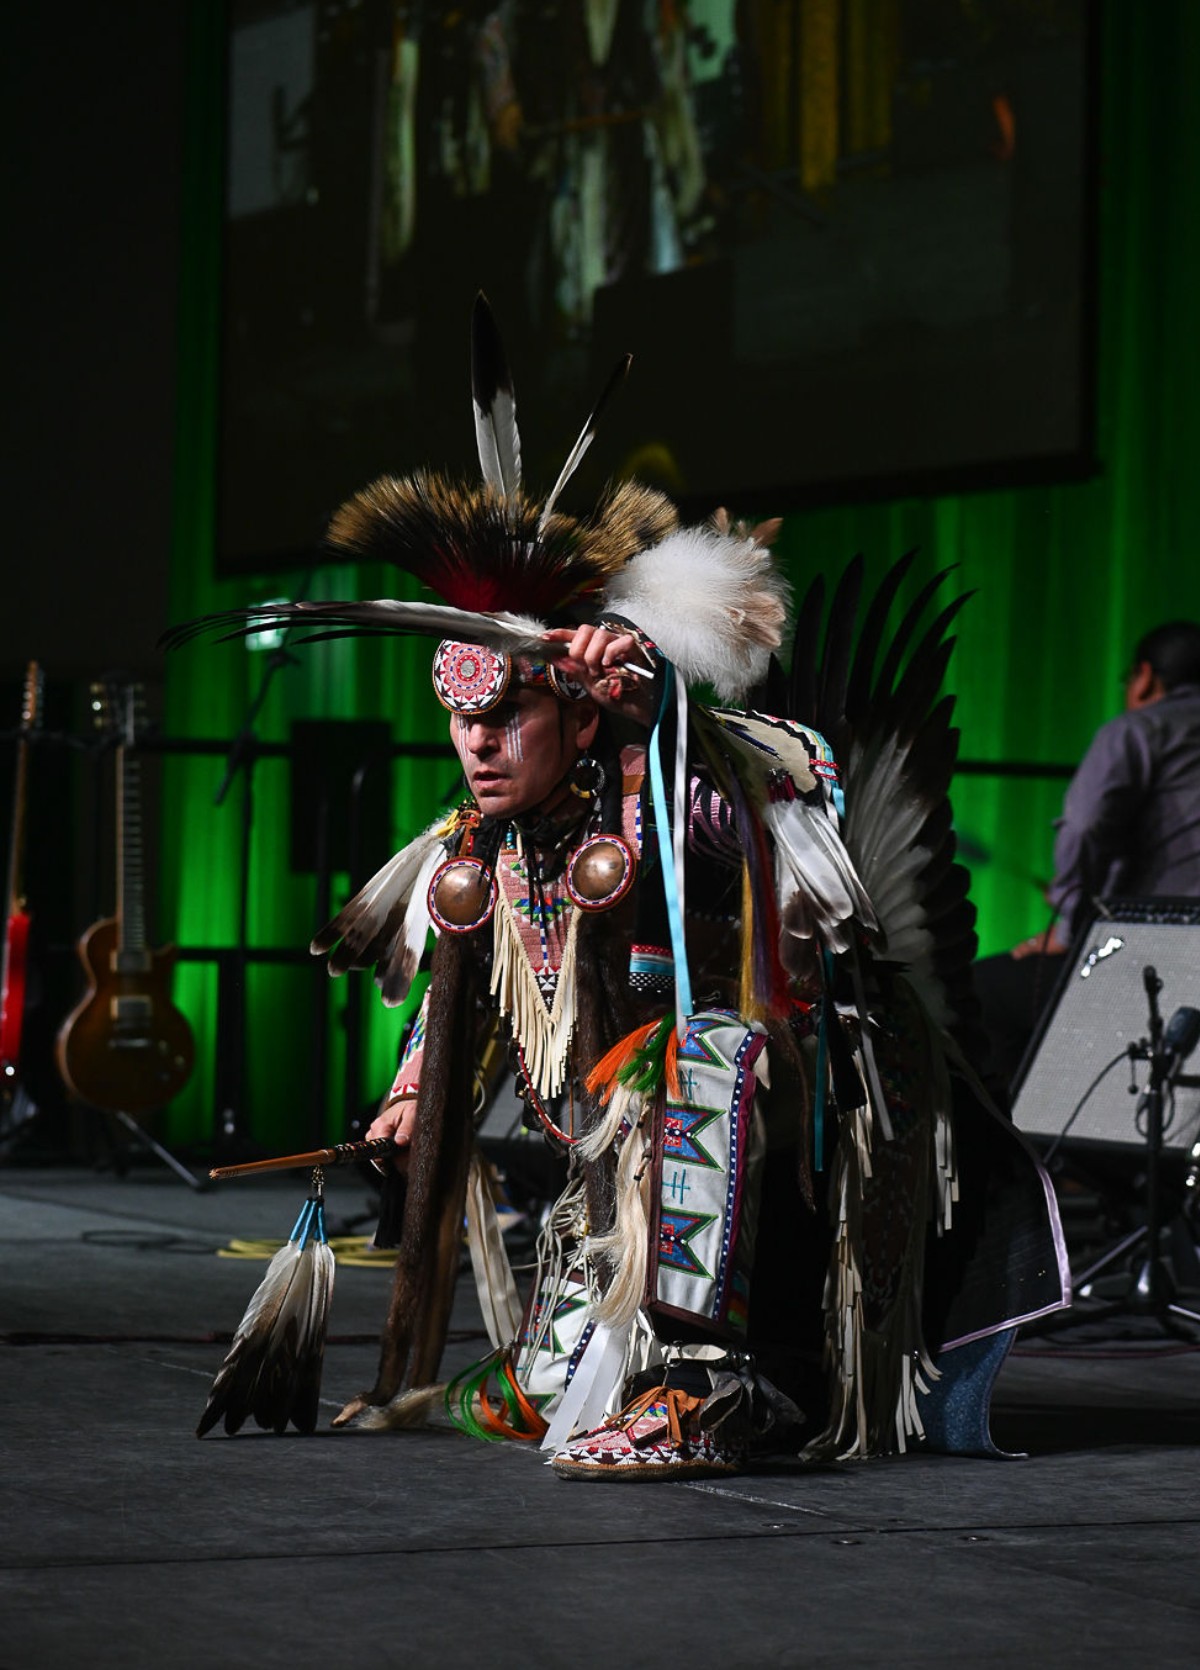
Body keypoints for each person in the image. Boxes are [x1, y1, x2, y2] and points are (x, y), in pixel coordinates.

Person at [184, 297, 1068, 1475]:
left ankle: (710, 1386)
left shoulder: (670, 789)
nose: (477, 747)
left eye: (507, 716)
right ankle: (608, 1358)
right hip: (615, 1202)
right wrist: (410, 1093)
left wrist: (660, 715)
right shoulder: (476, 847)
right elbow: (489, 998)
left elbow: (776, 808)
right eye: (460, 721)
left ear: (578, 704)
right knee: (505, 1400)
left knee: (699, 1055)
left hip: (789, 1160)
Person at [975, 621, 1200, 1097]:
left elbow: (1084, 827)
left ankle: (1037, 1163)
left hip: (1162, 952)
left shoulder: (1140, 730)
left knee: (983, 991)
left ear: (1143, 678)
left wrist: (1068, 929)